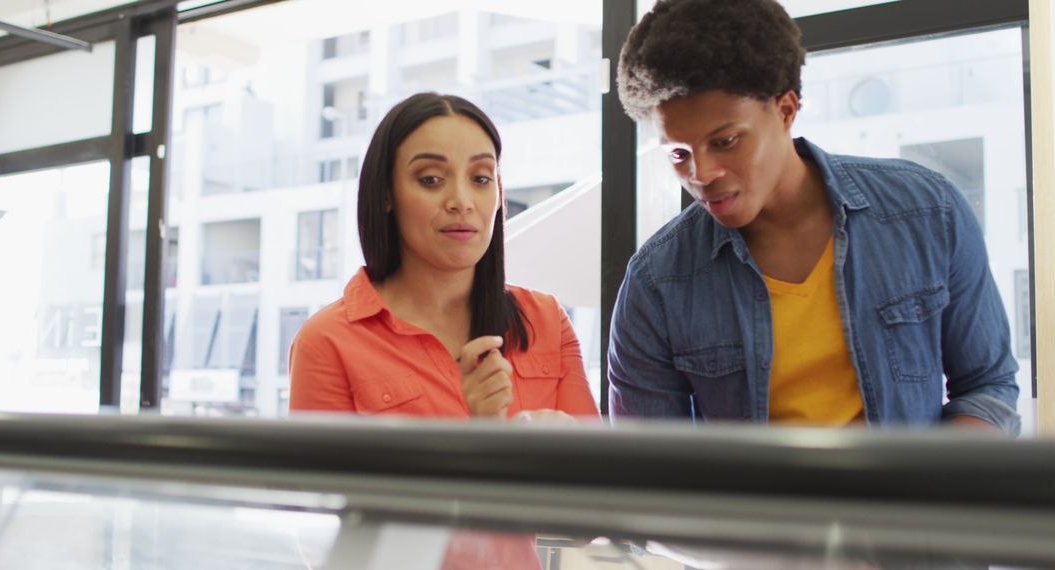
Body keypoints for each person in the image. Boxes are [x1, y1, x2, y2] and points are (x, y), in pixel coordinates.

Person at [607, 0, 1020, 434]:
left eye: (726, 141)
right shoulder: (656, 281)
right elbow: (653, 464)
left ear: (785, 110)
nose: (702, 174)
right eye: (678, 153)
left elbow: (987, 386)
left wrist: (931, 491)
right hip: (753, 504)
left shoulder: (928, 211)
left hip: (913, 499)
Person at [290, 91, 598, 421]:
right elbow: (327, 474)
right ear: (386, 194)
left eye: (481, 178)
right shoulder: (326, 342)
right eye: (431, 180)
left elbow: (597, 468)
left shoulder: (546, 319)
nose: (462, 201)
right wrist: (481, 437)